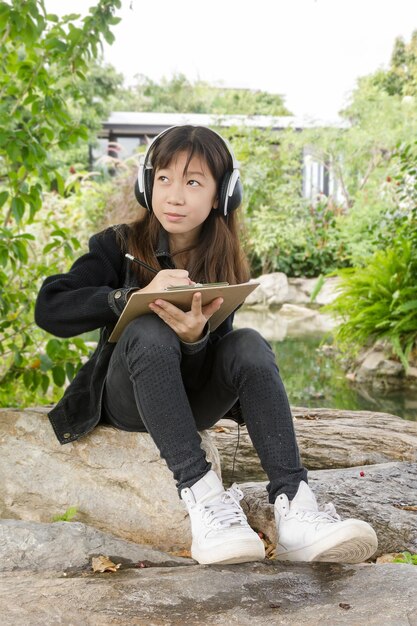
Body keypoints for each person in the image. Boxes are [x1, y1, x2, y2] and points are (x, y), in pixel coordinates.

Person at [35, 125, 378, 565]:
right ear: (146, 184)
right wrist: (126, 299)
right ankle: (203, 498)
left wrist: (195, 339)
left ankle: (296, 509)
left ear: (221, 195)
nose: (174, 196)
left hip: (188, 399)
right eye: (163, 179)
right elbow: (51, 308)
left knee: (249, 343)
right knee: (149, 328)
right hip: (126, 399)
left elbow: (214, 356)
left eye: (193, 182)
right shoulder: (116, 245)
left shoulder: (222, 256)